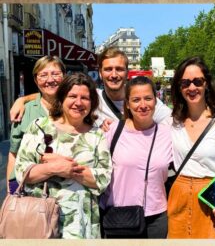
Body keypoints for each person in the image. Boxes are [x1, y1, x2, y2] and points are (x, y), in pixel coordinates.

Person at [14, 73, 112, 239]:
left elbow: (103, 178)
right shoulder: (39, 127)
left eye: (85, 98)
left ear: (92, 102)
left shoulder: (97, 135)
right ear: (62, 98)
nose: (78, 102)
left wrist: (67, 167)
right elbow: (22, 172)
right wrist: (54, 167)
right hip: (42, 222)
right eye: (72, 96)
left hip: (82, 223)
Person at [168, 56, 215, 238]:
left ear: (206, 84)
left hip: (214, 198)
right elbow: (140, 112)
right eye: (185, 83)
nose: (192, 87)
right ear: (179, 88)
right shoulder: (171, 122)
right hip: (180, 199)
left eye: (197, 81)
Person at [9, 47, 172, 127]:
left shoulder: (143, 101)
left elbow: (173, 122)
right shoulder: (90, 98)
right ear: (100, 73)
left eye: (119, 69)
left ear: (127, 72)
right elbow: (58, 94)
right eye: (108, 69)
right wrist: (22, 100)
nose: (114, 74)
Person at [100, 76, 173, 238]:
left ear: (156, 100)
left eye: (148, 98)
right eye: (136, 100)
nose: (143, 105)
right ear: (127, 103)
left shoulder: (168, 134)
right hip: (118, 216)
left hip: (156, 217)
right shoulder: (112, 131)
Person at [6, 55, 66, 193]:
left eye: (56, 74)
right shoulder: (24, 112)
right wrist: (12, 190)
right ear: (35, 80)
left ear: (64, 76)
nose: (50, 80)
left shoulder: (76, 107)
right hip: (32, 195)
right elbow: (14, 154)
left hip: (67, 193)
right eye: (43, 75)